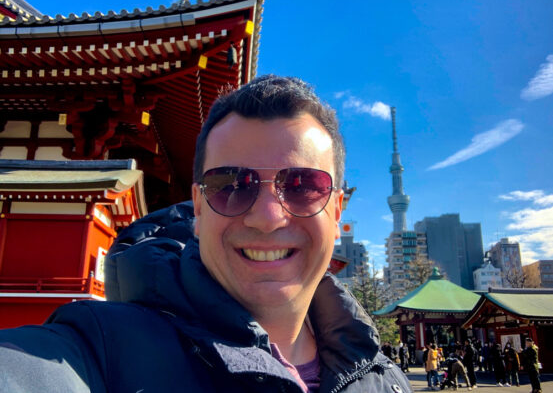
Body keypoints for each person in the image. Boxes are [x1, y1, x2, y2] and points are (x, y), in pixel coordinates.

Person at [0, 75, 412, 392]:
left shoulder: (384, 376)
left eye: (304, 186)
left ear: (336, 209)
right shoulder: (104, 350)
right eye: (231, 185)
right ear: (197, 208)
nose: (267, 217)